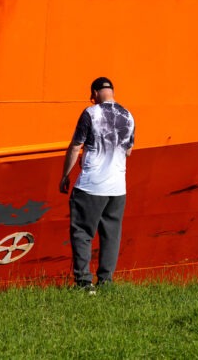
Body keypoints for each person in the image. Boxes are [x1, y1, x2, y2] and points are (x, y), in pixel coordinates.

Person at [60, 76, 135, 291]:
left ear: (94, 93)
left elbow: (76, 147)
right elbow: (128, 150)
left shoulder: (90, 113)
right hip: (118, 188)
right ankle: (106, 282)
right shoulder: (128, 116)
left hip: (91, 186)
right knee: (111, 235)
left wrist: (65, 175)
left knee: (82, 232)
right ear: (112, 91)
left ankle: (84, 282)